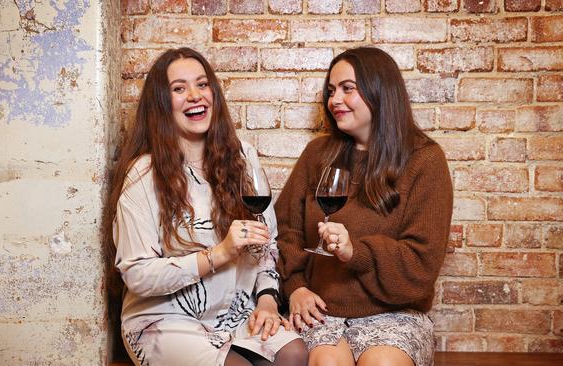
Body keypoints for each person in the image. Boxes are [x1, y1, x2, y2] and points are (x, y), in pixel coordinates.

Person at [103, 47, 307, 366]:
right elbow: (138, 275)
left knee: (293, 354)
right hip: (163, 319)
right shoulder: (144, 173)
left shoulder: (242, 158)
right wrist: (219, 254)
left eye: (202, 84)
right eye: (179, 88)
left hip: (233, 312)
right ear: (161, 104)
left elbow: (266, 247)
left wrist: (267, 300)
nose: (195, 95)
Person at [275, 47, 453, 366]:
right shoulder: (317, 154)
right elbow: (285, 232)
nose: (335, 100)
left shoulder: (425, 160)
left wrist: (355, 252)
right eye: (331, 91)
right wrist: (296, 288)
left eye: (347, 89)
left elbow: (422, 262)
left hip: (393, 314)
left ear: (380, 91)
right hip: (321, 311)